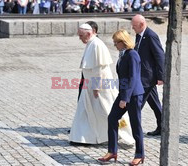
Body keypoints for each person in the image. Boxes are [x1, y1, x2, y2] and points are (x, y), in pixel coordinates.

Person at [69, 24, 134, 145]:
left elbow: (100, 69)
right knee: (85, 111)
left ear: (88, 34)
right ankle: (82, 137)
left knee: (107, 110)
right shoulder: (90, 43)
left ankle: (125, 134)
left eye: (81, 35)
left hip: (99, 87)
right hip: (89, 86)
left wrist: (96, 86)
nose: (80, 38)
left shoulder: (97, 44)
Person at [98, 29, 145, 166]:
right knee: (112, 118)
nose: (114, 45)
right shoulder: (123, 54)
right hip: (124, 93)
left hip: (134, 95)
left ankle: (139, 154)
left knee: (136, 125)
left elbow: (133, 78)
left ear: (122, 42)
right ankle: (112, 151)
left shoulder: (132, 55)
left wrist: (125, 99)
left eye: (115, 42)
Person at [131, 14, 165, 136]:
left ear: (141, 25)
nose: (132, 28)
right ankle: (162, 127)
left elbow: (160, 55)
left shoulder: (151, 35)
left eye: (134, 26)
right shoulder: (139, 35)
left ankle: (130, 129)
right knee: (155, 104)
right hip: (141, 74)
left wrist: (161, 76)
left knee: (136, 103)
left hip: (147, 77)